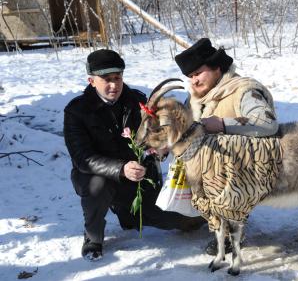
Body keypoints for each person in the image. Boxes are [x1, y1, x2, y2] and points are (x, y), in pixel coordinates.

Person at [64, 49, 204, 261]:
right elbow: (83, 158)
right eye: (106, 79)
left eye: (117, 78)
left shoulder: (138, 101)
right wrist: (121, 169)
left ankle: (212, 215)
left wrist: (161, 149)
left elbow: (155, 135)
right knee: (97, 186)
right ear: (91, 80)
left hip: (139, 180)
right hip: (101, 177)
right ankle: (93, 237)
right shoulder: (77, 110)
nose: (114, 85)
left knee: (178, 220)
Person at [174, 38, 279, 255]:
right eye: (190, 77)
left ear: (216, 67)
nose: (193, 81)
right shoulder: (196, 98)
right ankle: (210, 215)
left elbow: (267, 124)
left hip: (244, 169)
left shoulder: (244, 90)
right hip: (205, 170)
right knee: (182, 221)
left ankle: (233, 228)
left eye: (197, 74)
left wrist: (222, 124)